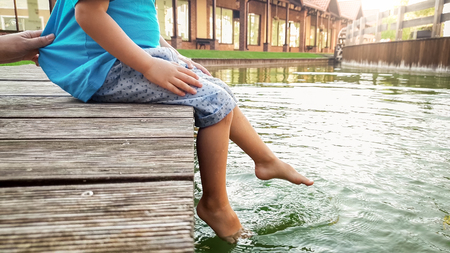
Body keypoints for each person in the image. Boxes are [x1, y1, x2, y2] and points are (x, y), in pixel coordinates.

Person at [38, 0, 314, 243]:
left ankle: (265, 160)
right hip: (100, 68)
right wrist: (149, 65)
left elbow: (133, 19)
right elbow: (88, 13)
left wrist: (172, 53)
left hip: (121, 60)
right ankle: (214, 205)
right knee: (213, 101)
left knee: (219, 89)